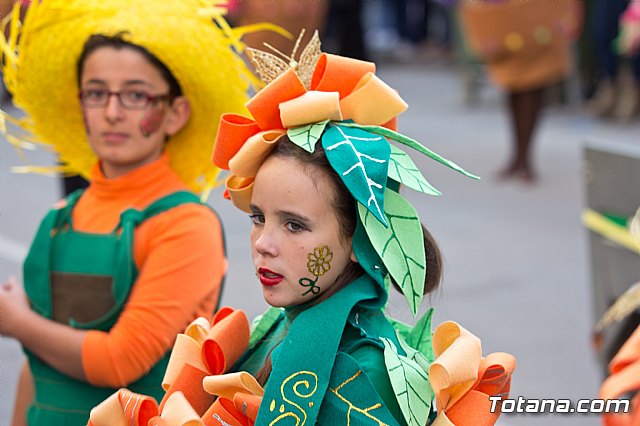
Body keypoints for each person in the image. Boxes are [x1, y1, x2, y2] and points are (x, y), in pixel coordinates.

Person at [87, 38, 515, 426]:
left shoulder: (363, 371)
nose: (263, 244)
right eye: (258, 217)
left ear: (358, 240)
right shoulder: (278, 321)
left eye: (294, 225)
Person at [0, 1, 255, 424]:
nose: (112, 112)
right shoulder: (60, 216)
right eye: (97, 92)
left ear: (176, 113)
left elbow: (120, 361)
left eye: (136, 95)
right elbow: (36, 368)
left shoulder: (187, 224)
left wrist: (16, 322)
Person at [458, 0, 580, 182]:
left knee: (534, 87)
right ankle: (519, 157)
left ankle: (524, 157)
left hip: (538, 21)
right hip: (510, 21)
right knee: (513, 87)